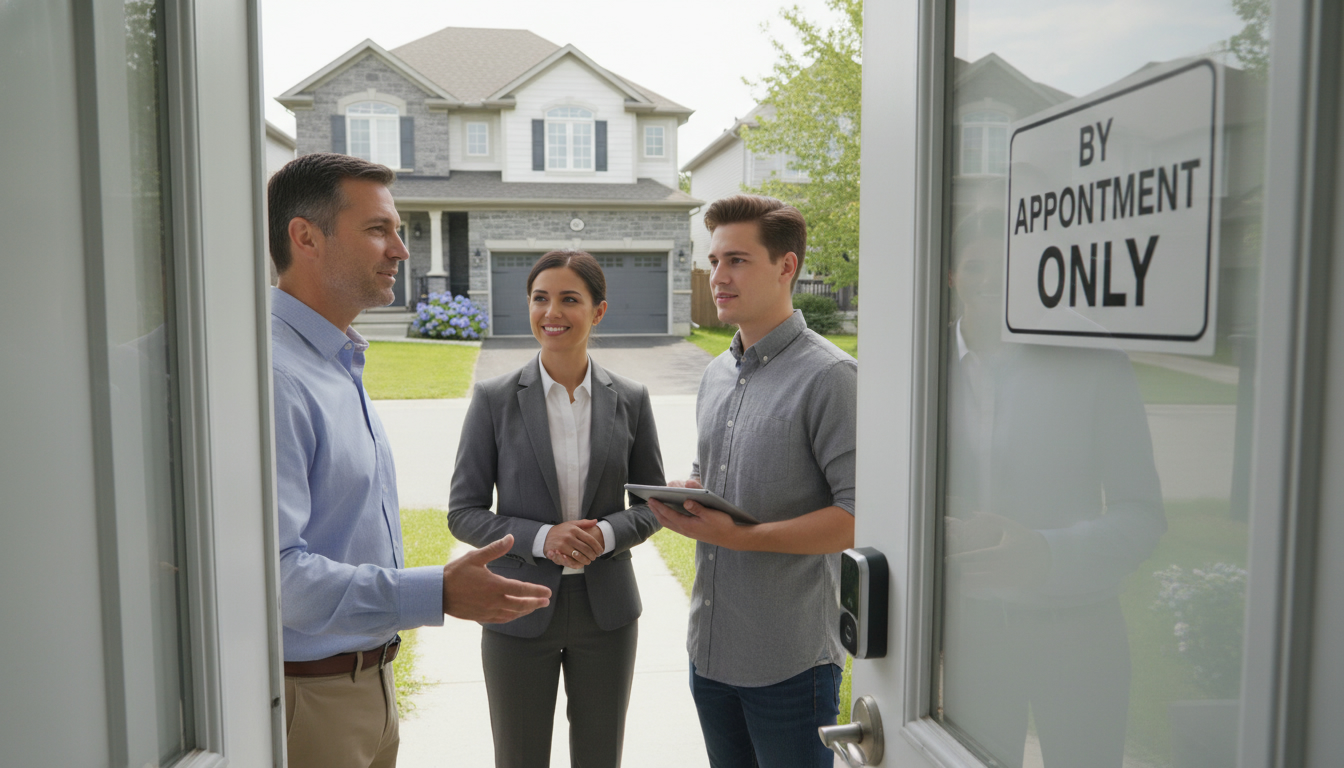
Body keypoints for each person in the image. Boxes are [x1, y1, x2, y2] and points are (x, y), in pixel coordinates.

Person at [268, 152, 551, 768]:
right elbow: (276, 581)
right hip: (309, 701)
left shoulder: (335, 358)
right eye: (378, 230)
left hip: (368, 685)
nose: (400, 249)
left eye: (397, 230)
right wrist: (438, 592)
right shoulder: (275, 376)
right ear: (305, 236)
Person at [939, 223, 1166, 768]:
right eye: (976, 265)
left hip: (1080, 634)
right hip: (969, 639)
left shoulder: (1090, 354)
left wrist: (1046, 551)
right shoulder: (924, 361)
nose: (993, 279)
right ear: (951, 277)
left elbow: (1144, 516)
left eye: (1011, 265)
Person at [647, 194, 857, 768]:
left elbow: (859, 516)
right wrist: (689, 492)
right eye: (714, 261)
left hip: (788, 661)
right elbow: (714, 470)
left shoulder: (832, 377)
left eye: (736, 260)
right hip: (710, 651)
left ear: (786, 267)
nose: (718, 276)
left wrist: (743, 537)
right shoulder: (715, 371)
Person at [448, 250, 665, 768]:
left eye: (570, 299)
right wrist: (544, 538)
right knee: (519, 758)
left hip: (607, 614)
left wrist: (606, 535)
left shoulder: (631, 399)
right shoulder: (494, 399)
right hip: (517, 607)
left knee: (599, 758)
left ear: (599, 311)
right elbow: (464, 511)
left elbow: (653, 505)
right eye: (541, 298)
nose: (553, 312)